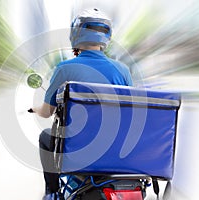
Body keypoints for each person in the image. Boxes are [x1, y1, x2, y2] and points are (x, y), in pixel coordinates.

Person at [31, 8, 133, 200]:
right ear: (107, 36)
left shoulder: (64, 69)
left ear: (76, 34)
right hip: (118, 147)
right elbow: (130, 109)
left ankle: (52, 192)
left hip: (79, 149)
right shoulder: (123, 70)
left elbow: (46, 112)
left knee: (45, 137)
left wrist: (36, 109)